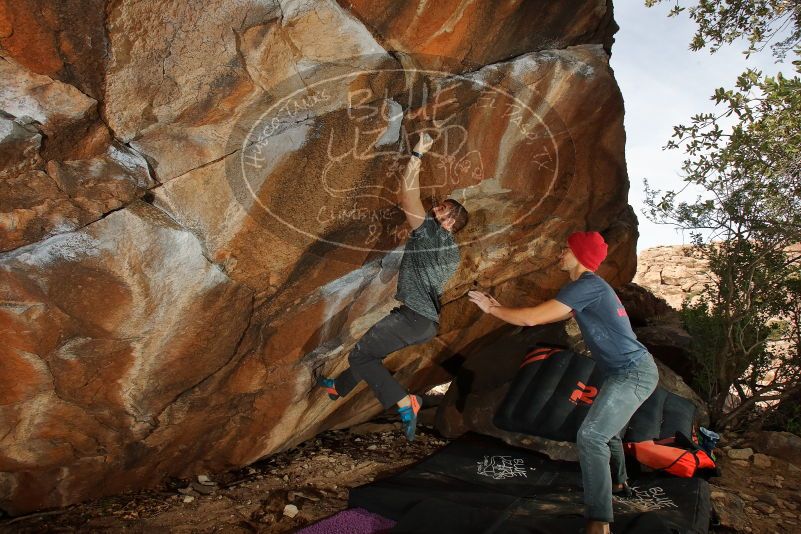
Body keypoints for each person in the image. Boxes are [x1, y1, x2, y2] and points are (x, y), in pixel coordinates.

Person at [468, 231, 659, 534]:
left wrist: (492, 309)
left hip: (633, 372)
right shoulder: (588, 288)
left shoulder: (588, 286)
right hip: (624, 370)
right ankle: (620, 481)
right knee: (605, 430)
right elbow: (550, 316)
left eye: (565, 249)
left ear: (578, 255)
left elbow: (532, 318)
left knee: (592, 436)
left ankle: (599, 523)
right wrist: (503, 308)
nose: (560, 253)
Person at [317, 133, 469, 441]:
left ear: (451, 223)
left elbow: (407, 196)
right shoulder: (449, 248)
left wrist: (417, 155)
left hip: (413, 318)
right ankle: (339, 387)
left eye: (444, 208)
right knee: (373, 354)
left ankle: (405, 402)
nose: (436, 207)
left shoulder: (432, 235)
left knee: (362, 355)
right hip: (422, 323)